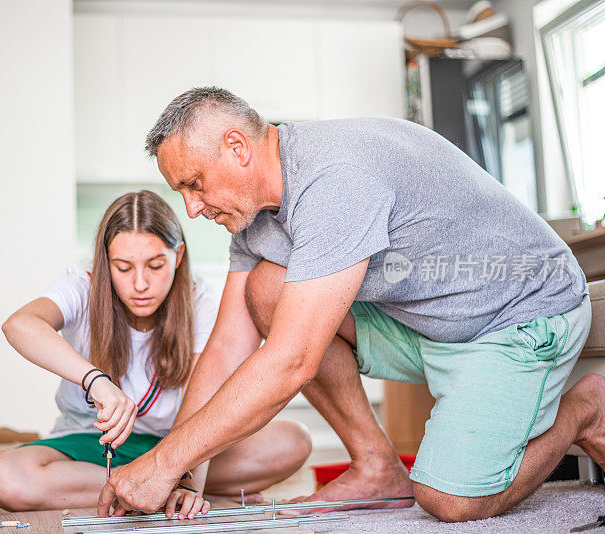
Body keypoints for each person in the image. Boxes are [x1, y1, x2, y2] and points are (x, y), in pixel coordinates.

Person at [97, 88, 603, 522]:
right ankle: (376, 466)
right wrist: (186, 475)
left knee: (450, 501)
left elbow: (292, 361)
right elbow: (228, 344)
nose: (192, 207)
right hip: (430, 324)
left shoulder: (333, 179)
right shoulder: (252, 217)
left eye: (194, 183)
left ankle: (586, 410)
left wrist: (160, 463)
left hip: (518, 317)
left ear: (236, 147)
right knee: (266, 291)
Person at [0, 190, 312, 515]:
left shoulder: (202, 302)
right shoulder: (82, 287)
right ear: (105, 262)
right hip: (91, 446)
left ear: (178, 256)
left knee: (292, 441)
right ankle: (148, 488)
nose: (140, 284)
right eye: (123, 268)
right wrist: (96, 381)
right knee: (4, 479)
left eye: (155, 265)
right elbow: (20, 325)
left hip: (177, 448)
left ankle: (158, 486)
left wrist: (188, 481)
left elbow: (210, 401)